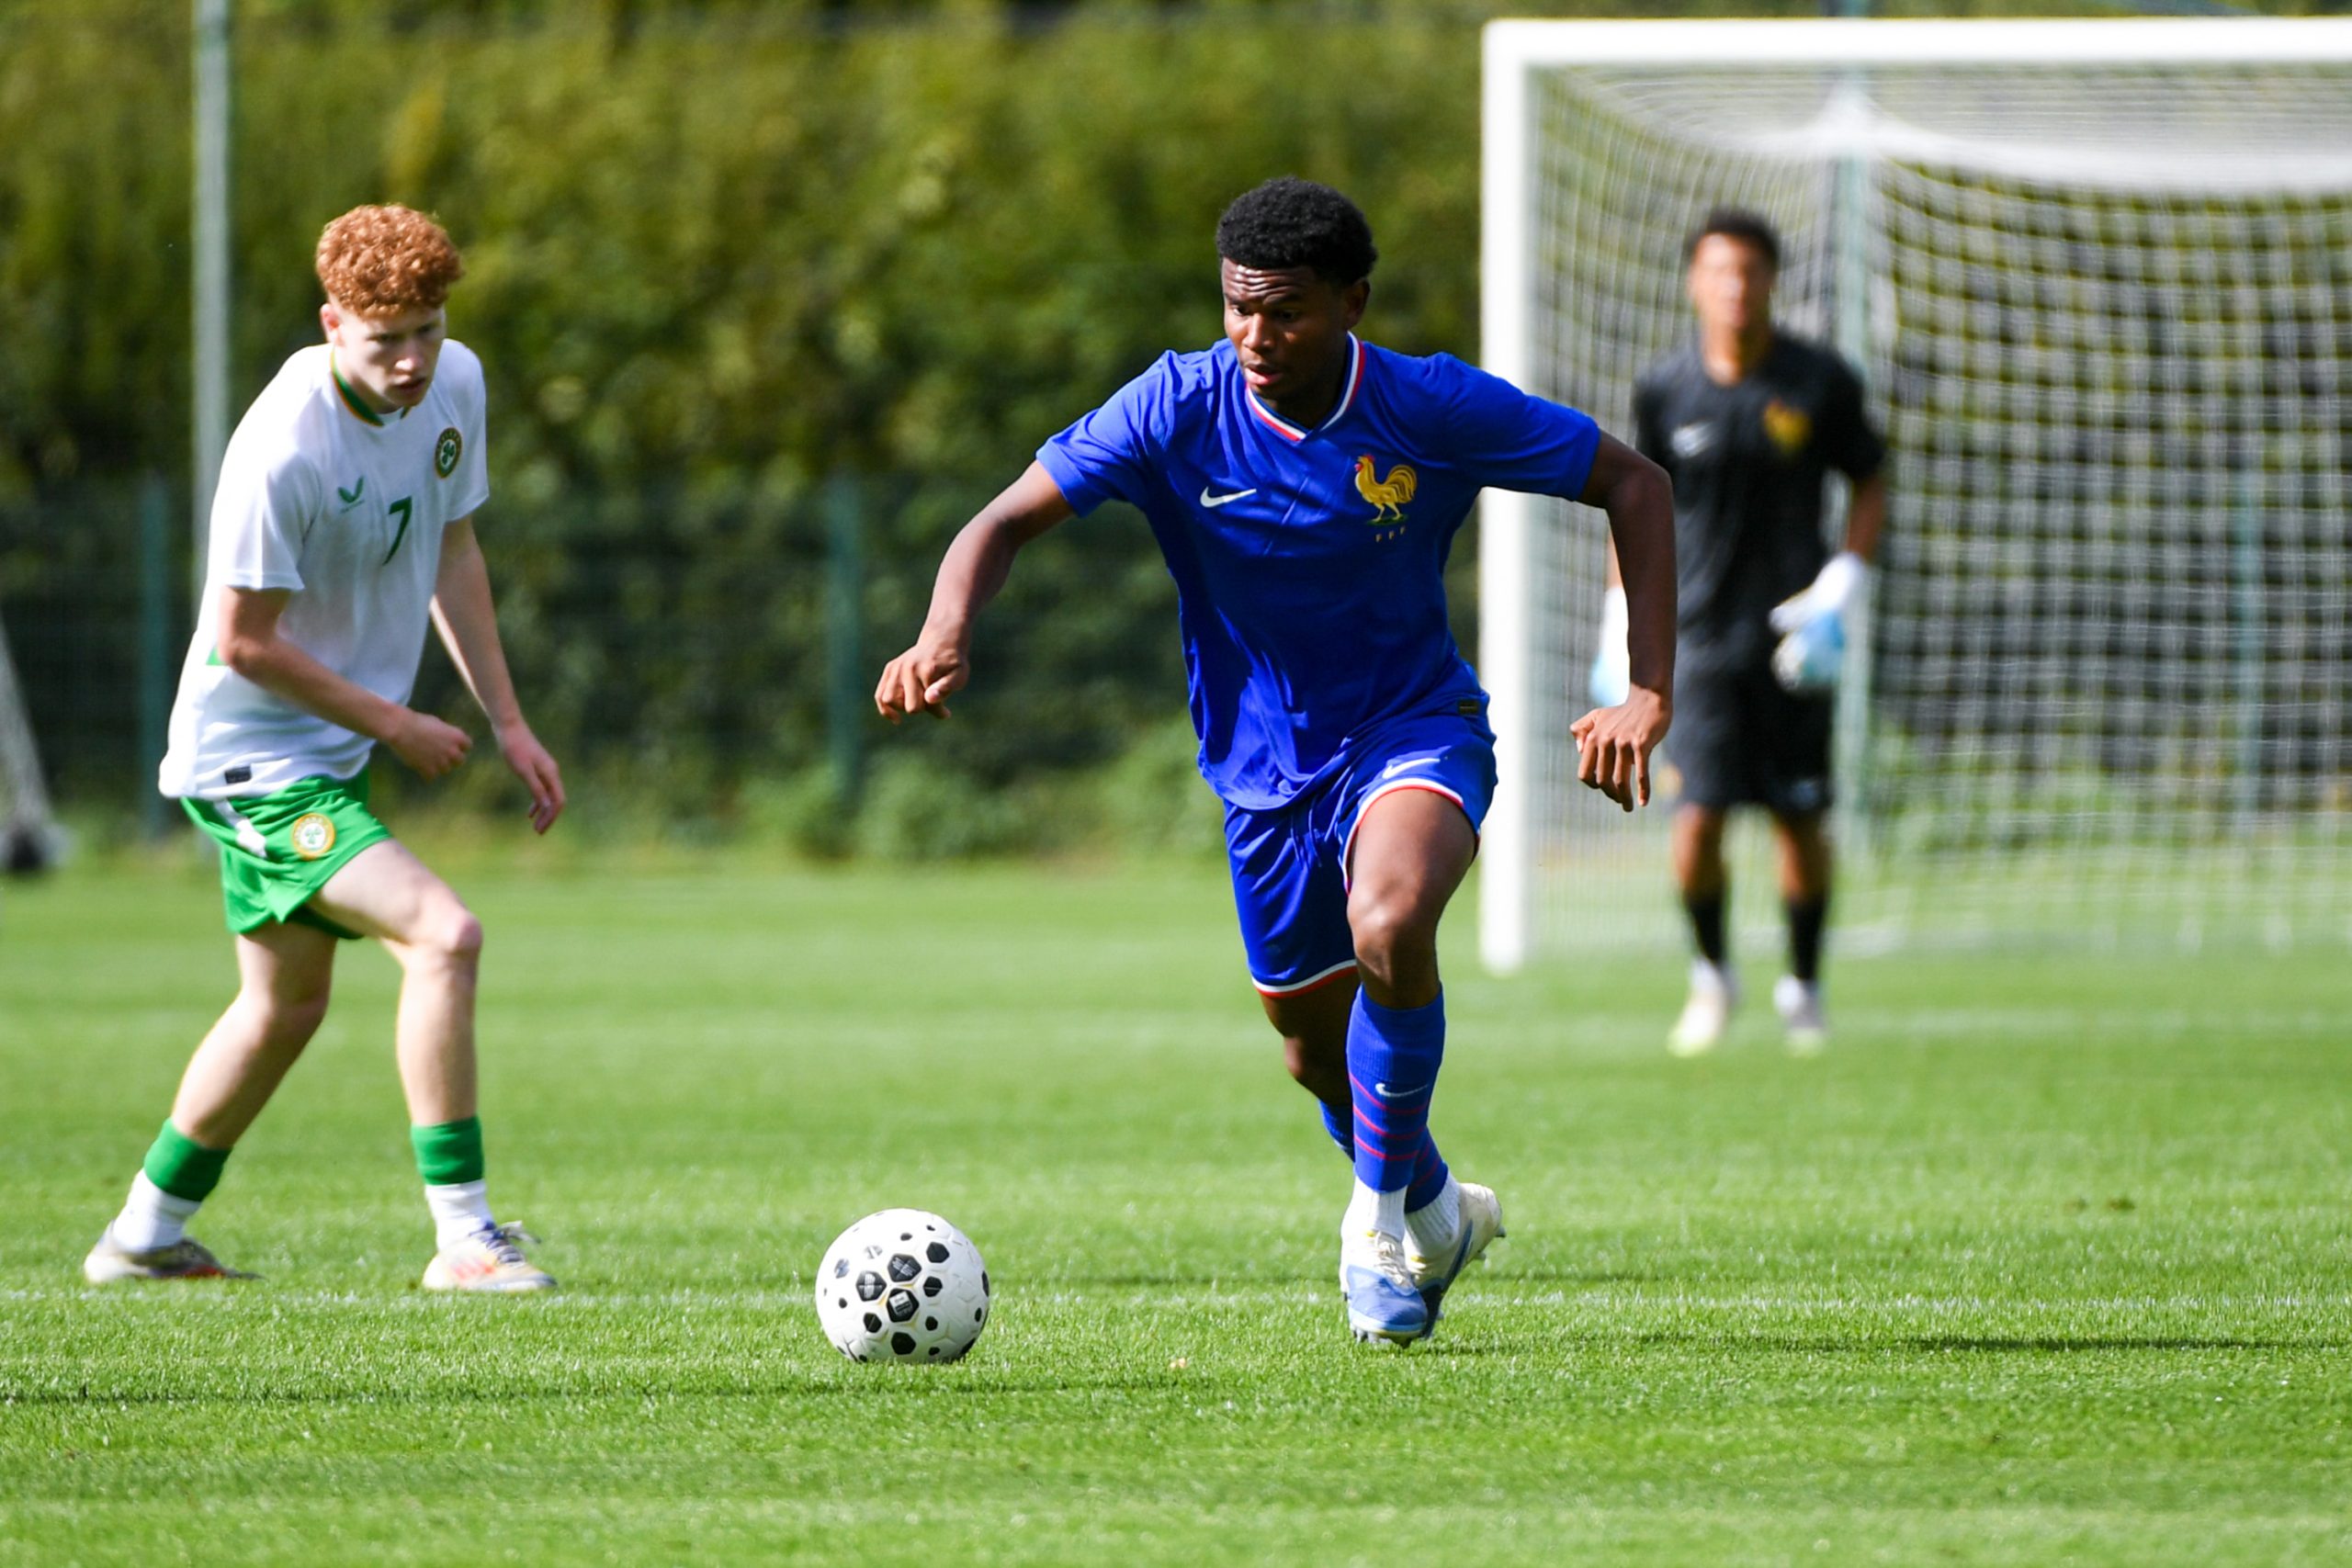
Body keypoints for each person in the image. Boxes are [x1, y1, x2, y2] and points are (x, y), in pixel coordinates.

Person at [877, 177, 1676, 1345]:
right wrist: (946, 625)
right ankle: (1437, 1209)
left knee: (1392, 923)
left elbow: (1635, 484)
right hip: (1259, 776)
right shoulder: (1175, 406)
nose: (1256, 335)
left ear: (1352, 302)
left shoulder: (1427, 404)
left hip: (1415, 730)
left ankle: (1372, 1229)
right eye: (1238, 308)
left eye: (1287, 311)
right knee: (1312, 1054)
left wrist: (1645, 687)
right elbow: (1000, 522)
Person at [85, 204, 566, 1292]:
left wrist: (509, 721)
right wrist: (391, 722)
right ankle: (466, 1239)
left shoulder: (458, 385)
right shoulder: (282, 446)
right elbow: (240, 643)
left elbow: (453, 548)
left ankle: (144, 1233)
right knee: (445, 936)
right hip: (249, 761)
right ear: (331, 323)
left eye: (428, 330)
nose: (411, 361)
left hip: (324, 754)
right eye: (385, 336)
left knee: (283, 1007)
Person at [1593, 208, 1886, 1057]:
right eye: (1720, 270)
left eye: (1751, 271)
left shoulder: (1819, 381)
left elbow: (1871, 480)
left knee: (1800, 820)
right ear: (1694, 281)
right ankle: (1712, 975)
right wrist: (1619, 620)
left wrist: (1842, 585)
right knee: (1699, 819)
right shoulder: (1665, 391)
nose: (1735, 286)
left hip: (1798, 638)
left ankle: (1804, 985)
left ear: (1771, 281)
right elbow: (1631, 506)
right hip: (1696, 641)